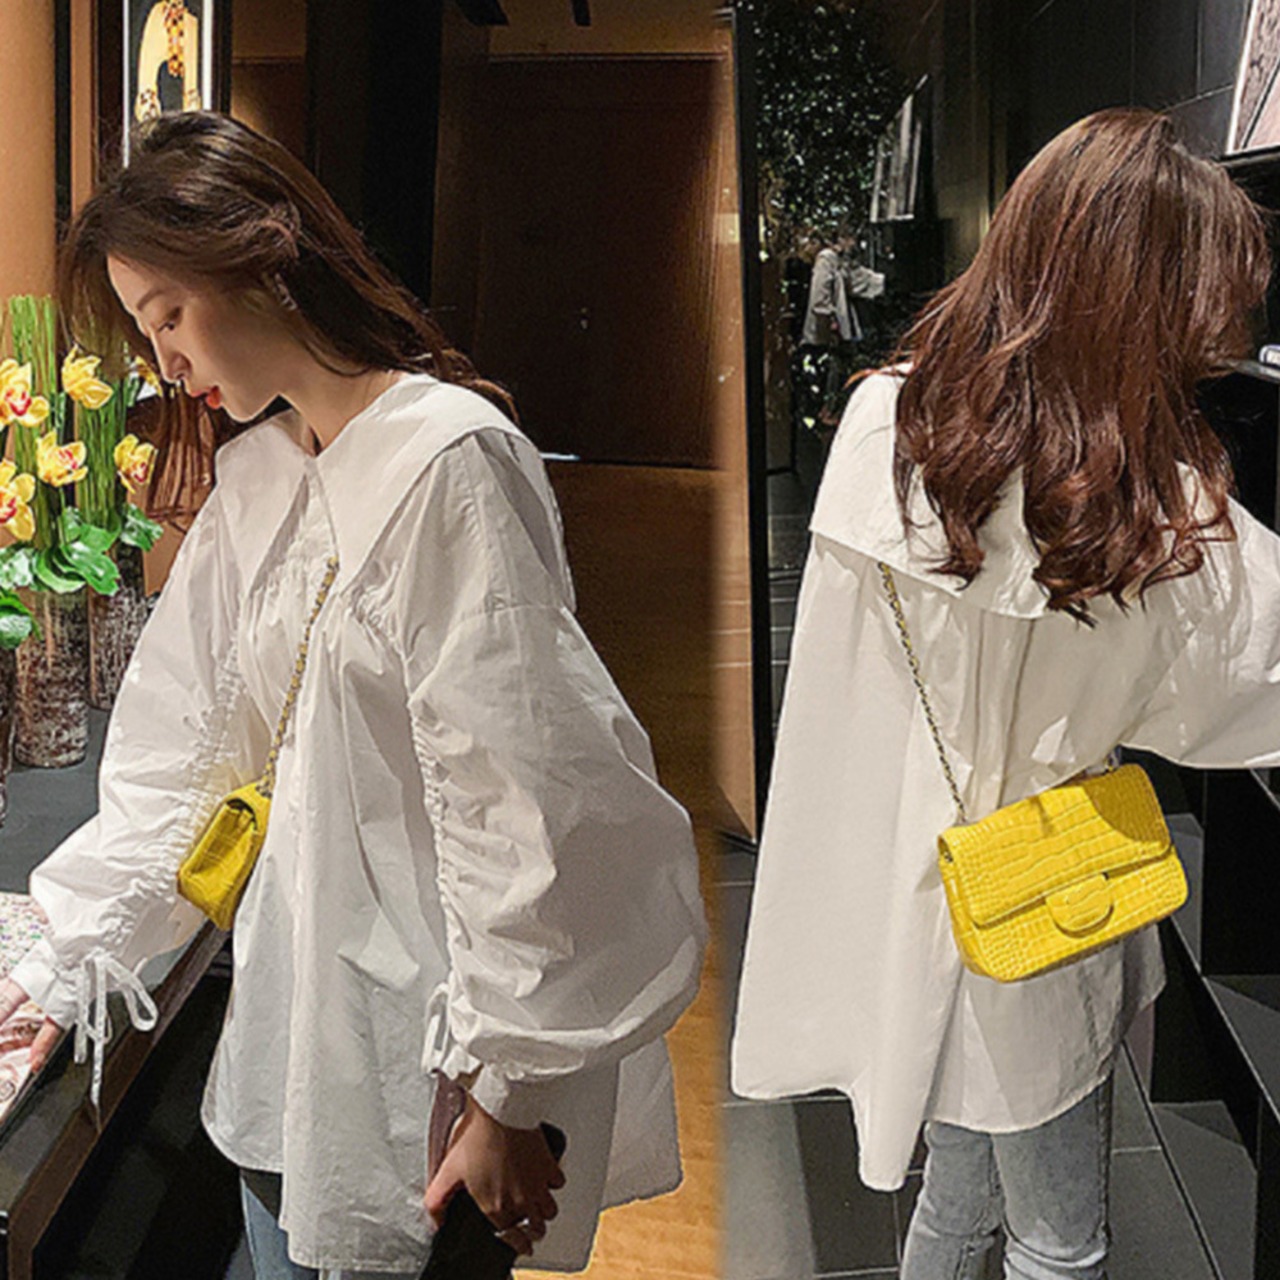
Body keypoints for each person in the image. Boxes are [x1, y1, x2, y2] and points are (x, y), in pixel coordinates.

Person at [0, 111, 706, 1279]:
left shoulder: (444, 458)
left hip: (424, 1059)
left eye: (167, 316)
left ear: (262, 256)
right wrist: (63, 964)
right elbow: (186, 753)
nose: (163, 363)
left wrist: (505, 1083)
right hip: (298, 1029)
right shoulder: (264, 472)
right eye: (144, 330)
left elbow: (527, 793)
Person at [731, 108, 1276, 1280]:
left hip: (905, 878)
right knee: (1059, 1237)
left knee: (958, 1180)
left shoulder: (887, 422)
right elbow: (1239, 681)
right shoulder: (1138, 500)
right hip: (1039, 899)